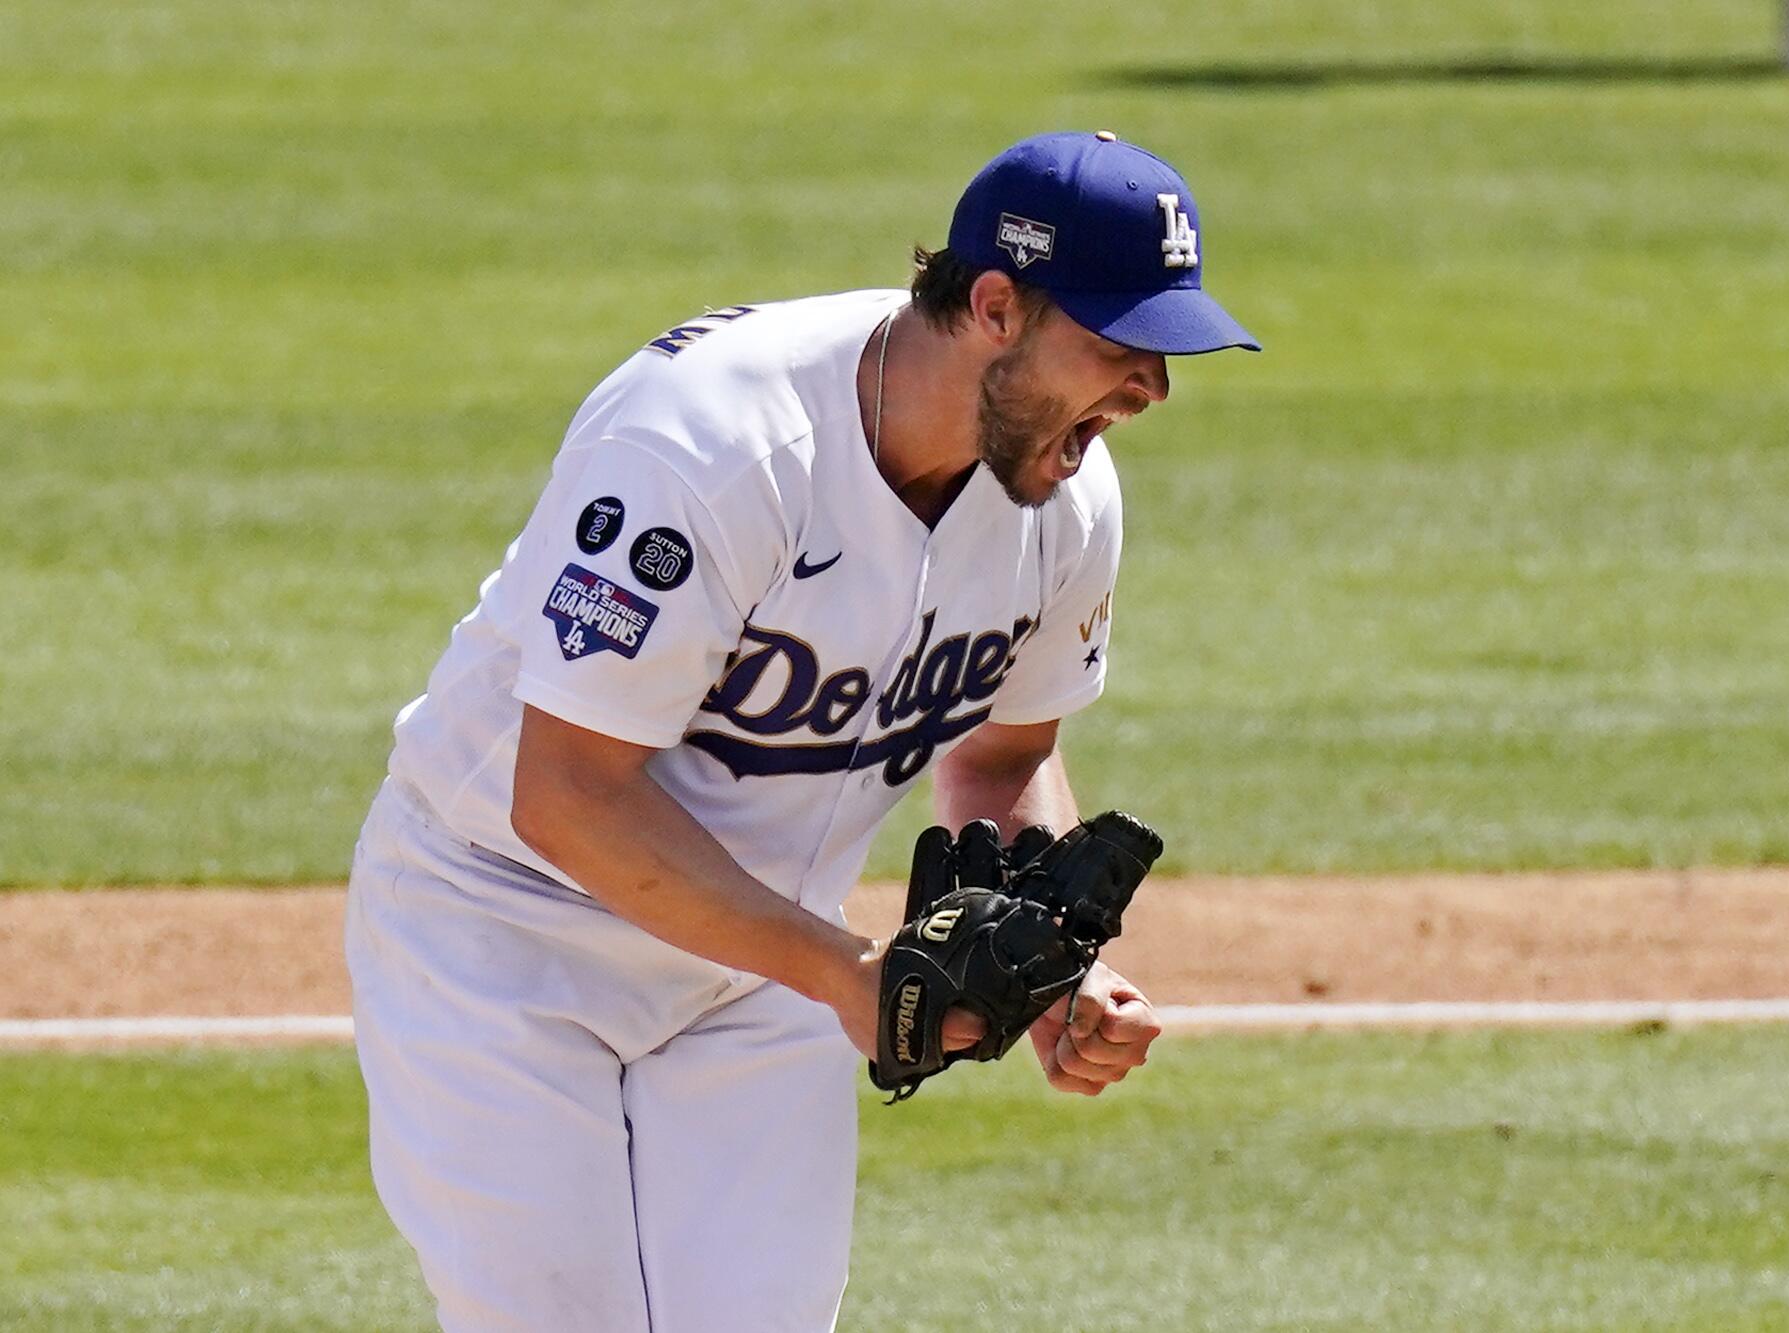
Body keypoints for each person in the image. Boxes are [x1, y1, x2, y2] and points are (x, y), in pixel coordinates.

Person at [344, 129, 1260, 1331]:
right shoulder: (711, 444)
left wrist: (1044, 961)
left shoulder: (1063, 497)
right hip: (503, 934)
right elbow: (567, 794)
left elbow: (1000, 756)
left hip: (766, 958)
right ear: (993, 307)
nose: (1149, 388)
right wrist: (849, 976)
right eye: (1116, 346)